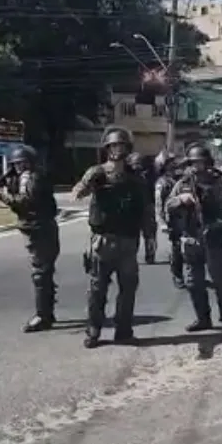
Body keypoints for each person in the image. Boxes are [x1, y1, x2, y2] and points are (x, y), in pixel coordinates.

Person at [72, 127, 148, 348]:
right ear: (107, 148)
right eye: (114, 146)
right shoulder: (97, 172)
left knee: (128, 288)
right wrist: (86, 185)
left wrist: (150, 236)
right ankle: (94, 330)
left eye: (122, 146)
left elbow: (145, 209)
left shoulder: (135, 178)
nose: (117, 150)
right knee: (97, 289)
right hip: (103, 240)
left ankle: (123, 330)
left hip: (128, 240)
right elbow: (78, 191)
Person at [166, 144, 222, 340]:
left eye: (200, 162)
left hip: (214, 237)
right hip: (192, 237)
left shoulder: (218, 183)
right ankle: (203, 319)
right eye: (193, 163)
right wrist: (180, 200)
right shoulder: (182, 184)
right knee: (194, 283)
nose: (197, 167)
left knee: (221, 282)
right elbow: (168, 204)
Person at [0, 145, 60, 333]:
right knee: (44, 273)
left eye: (22, 163)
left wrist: (5, 196)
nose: (19, 167)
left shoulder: (30, 178)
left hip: (40, 230)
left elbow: (25, 202)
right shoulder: (35, 176)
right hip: (41, 229)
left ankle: (43, 316)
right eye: (16, 164)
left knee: (40, 274)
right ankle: (47, 312)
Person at [154, 149, 185, 289]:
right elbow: (159, 203)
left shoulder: (180, 179)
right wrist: (162, 222)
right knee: (176, 249)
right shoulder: (162, 183)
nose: (174, 165)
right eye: (170, 163)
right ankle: (177, 275)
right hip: (173, 219)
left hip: (186, 217)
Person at [127, 152, 158, 263]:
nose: (137, 167)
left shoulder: (149, 176)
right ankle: (137, 255)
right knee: (133, 234)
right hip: (134, 208)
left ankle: (149, 255)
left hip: (146, 206)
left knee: (148, 235)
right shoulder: (128, 177)